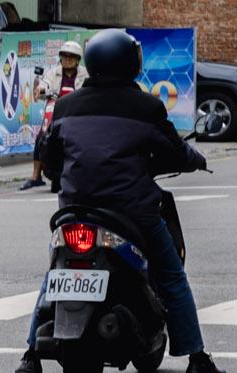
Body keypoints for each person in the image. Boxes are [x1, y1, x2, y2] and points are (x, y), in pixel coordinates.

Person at [17, 28, 220, 373]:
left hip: (74, 212)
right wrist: (195, 159)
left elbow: (51, 160)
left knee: (56, 269)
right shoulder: (146, 106)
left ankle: (30, 356)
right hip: (131, 212)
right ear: (129, 63)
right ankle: (197, 358)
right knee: (171, 274)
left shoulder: (66, 106)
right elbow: (174, 151)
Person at [19, 40, 83, 191]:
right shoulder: (52, 73)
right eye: (65, 56)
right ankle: (36, 177)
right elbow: (44, 85)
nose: (67, 59)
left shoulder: (84, 73)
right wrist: (41, 89)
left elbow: (89, 85)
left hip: (77, 109)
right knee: (42, 135)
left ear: (78, 59)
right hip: (55, 106)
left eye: (71, 56)